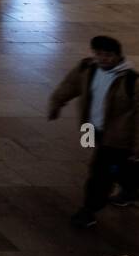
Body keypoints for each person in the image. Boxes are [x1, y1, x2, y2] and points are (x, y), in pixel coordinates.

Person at [49, 36, 138, 227]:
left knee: (100, 172)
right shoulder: (87, 68)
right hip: (91, 128)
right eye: (99, 54)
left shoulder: (131, 80)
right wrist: (56, 102)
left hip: (118, 138)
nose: (103, 59)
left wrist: (137, 147)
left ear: (117, 55)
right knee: (116, 165)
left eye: (108, 55)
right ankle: (130, 188)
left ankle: (89, 210)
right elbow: (70, 85)